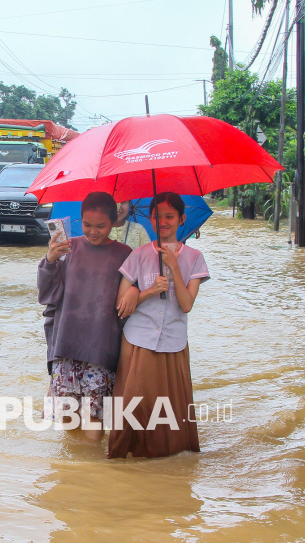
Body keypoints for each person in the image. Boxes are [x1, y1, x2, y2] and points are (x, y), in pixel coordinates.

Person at [108, 192, 210, 458]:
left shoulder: (194, 257)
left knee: (170, 413)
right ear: (150, 219)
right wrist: (148, 291)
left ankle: (169, 463)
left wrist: (174, 267)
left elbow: (186, 305)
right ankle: (123, 460)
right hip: (138, 341)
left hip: (174, 342)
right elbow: (121, 303)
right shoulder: (138, 255)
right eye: (157, 216)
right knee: (133, 406)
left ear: (181, 219)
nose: (162, 221)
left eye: (169, 216)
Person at [37, 192, 132, 440]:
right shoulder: (68, 248)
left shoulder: (125, 254)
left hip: (101, 348)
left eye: (101, 226)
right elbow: (48, 294)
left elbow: (128, 303)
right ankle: (76, 475)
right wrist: (50, 260)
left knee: (94, 418)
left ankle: (93, 471)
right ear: (80, 221)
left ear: (114, 222)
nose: (93, 231)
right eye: (87, 225)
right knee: (68, 418)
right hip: (66, 345)